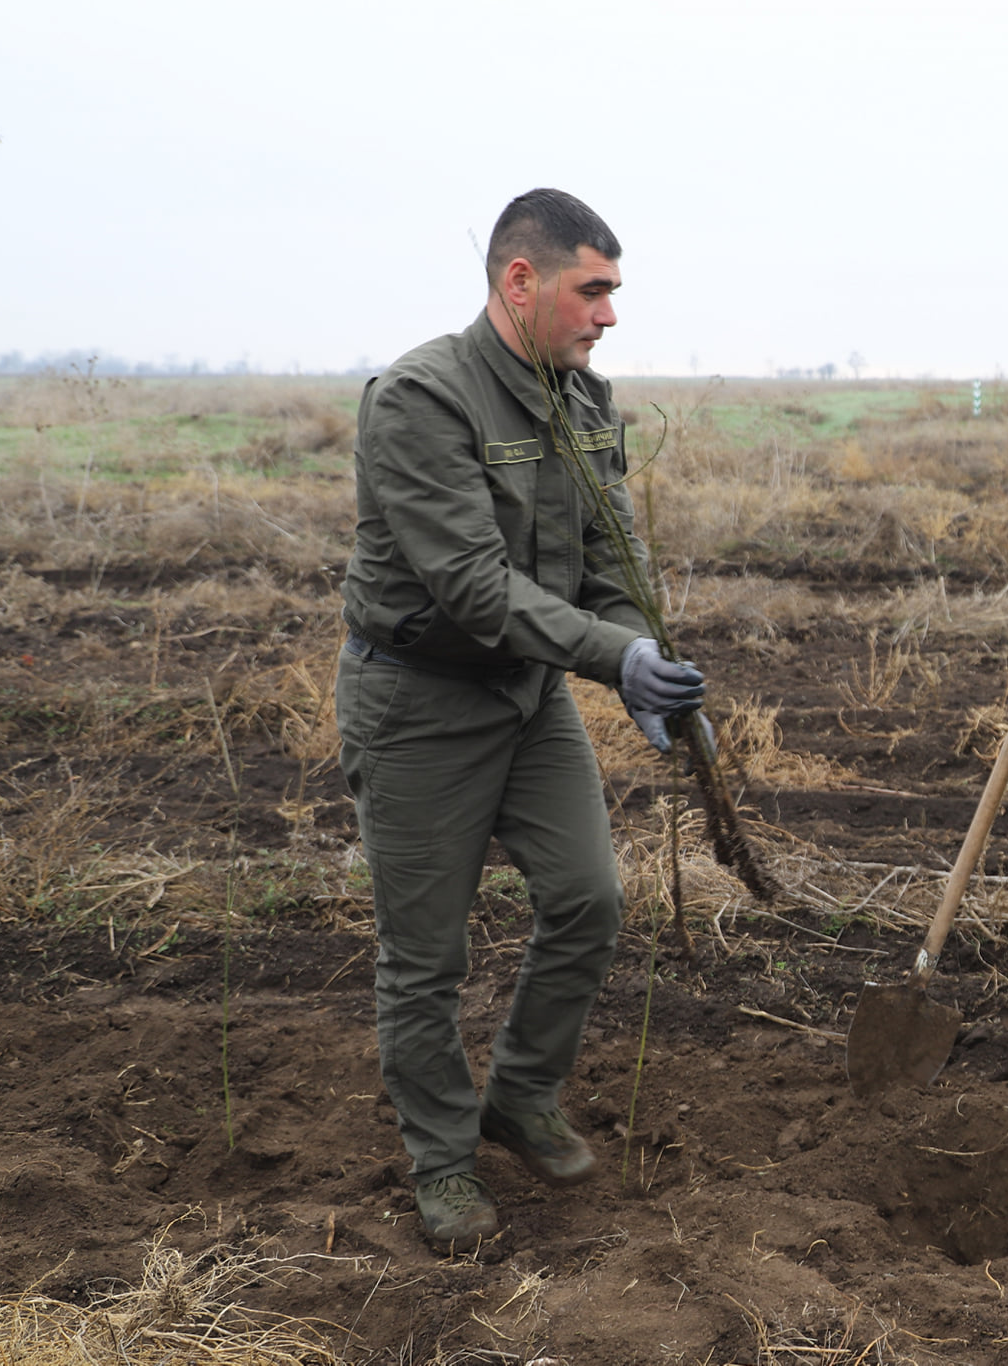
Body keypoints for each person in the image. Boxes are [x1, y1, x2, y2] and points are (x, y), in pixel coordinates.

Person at [335, 188, 705, 1244]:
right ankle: (444, 1161)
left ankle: (518, 1095)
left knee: (588, 898)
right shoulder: (420, 398)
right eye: (592, 291)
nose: (608, 315)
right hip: (418, 702)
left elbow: (608, 564)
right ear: (519, 281)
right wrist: (616, 658)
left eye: (613, 293)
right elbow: (473, 586)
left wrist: (653, 664)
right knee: (427, 956)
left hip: (527, 694)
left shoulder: (584, 401)